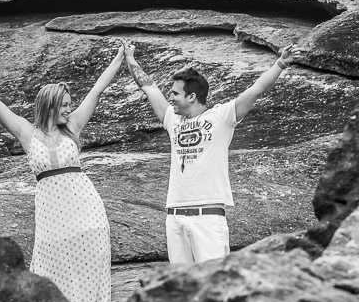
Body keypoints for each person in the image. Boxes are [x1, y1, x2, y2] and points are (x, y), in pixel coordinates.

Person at [0, 43, 126, 302]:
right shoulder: (26, 132)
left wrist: (120, 58)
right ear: (50, 106)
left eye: (69, 105)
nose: (69, 109)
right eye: (64, 105)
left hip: (87, 214)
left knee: (90, 273)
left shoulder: (74, 127)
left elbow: (97, 90)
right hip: (52, 218)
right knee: (50, 273)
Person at [123, 42, 303, 263]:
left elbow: (256, 90)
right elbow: (148, 86)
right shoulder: (172, 118)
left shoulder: (221, 117)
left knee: (213, 282)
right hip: (174, 217)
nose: (170, 98)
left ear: (191, 97)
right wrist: (130, 57)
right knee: (180, 287)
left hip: (207, 218)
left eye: (175, 93)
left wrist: (280, 64)